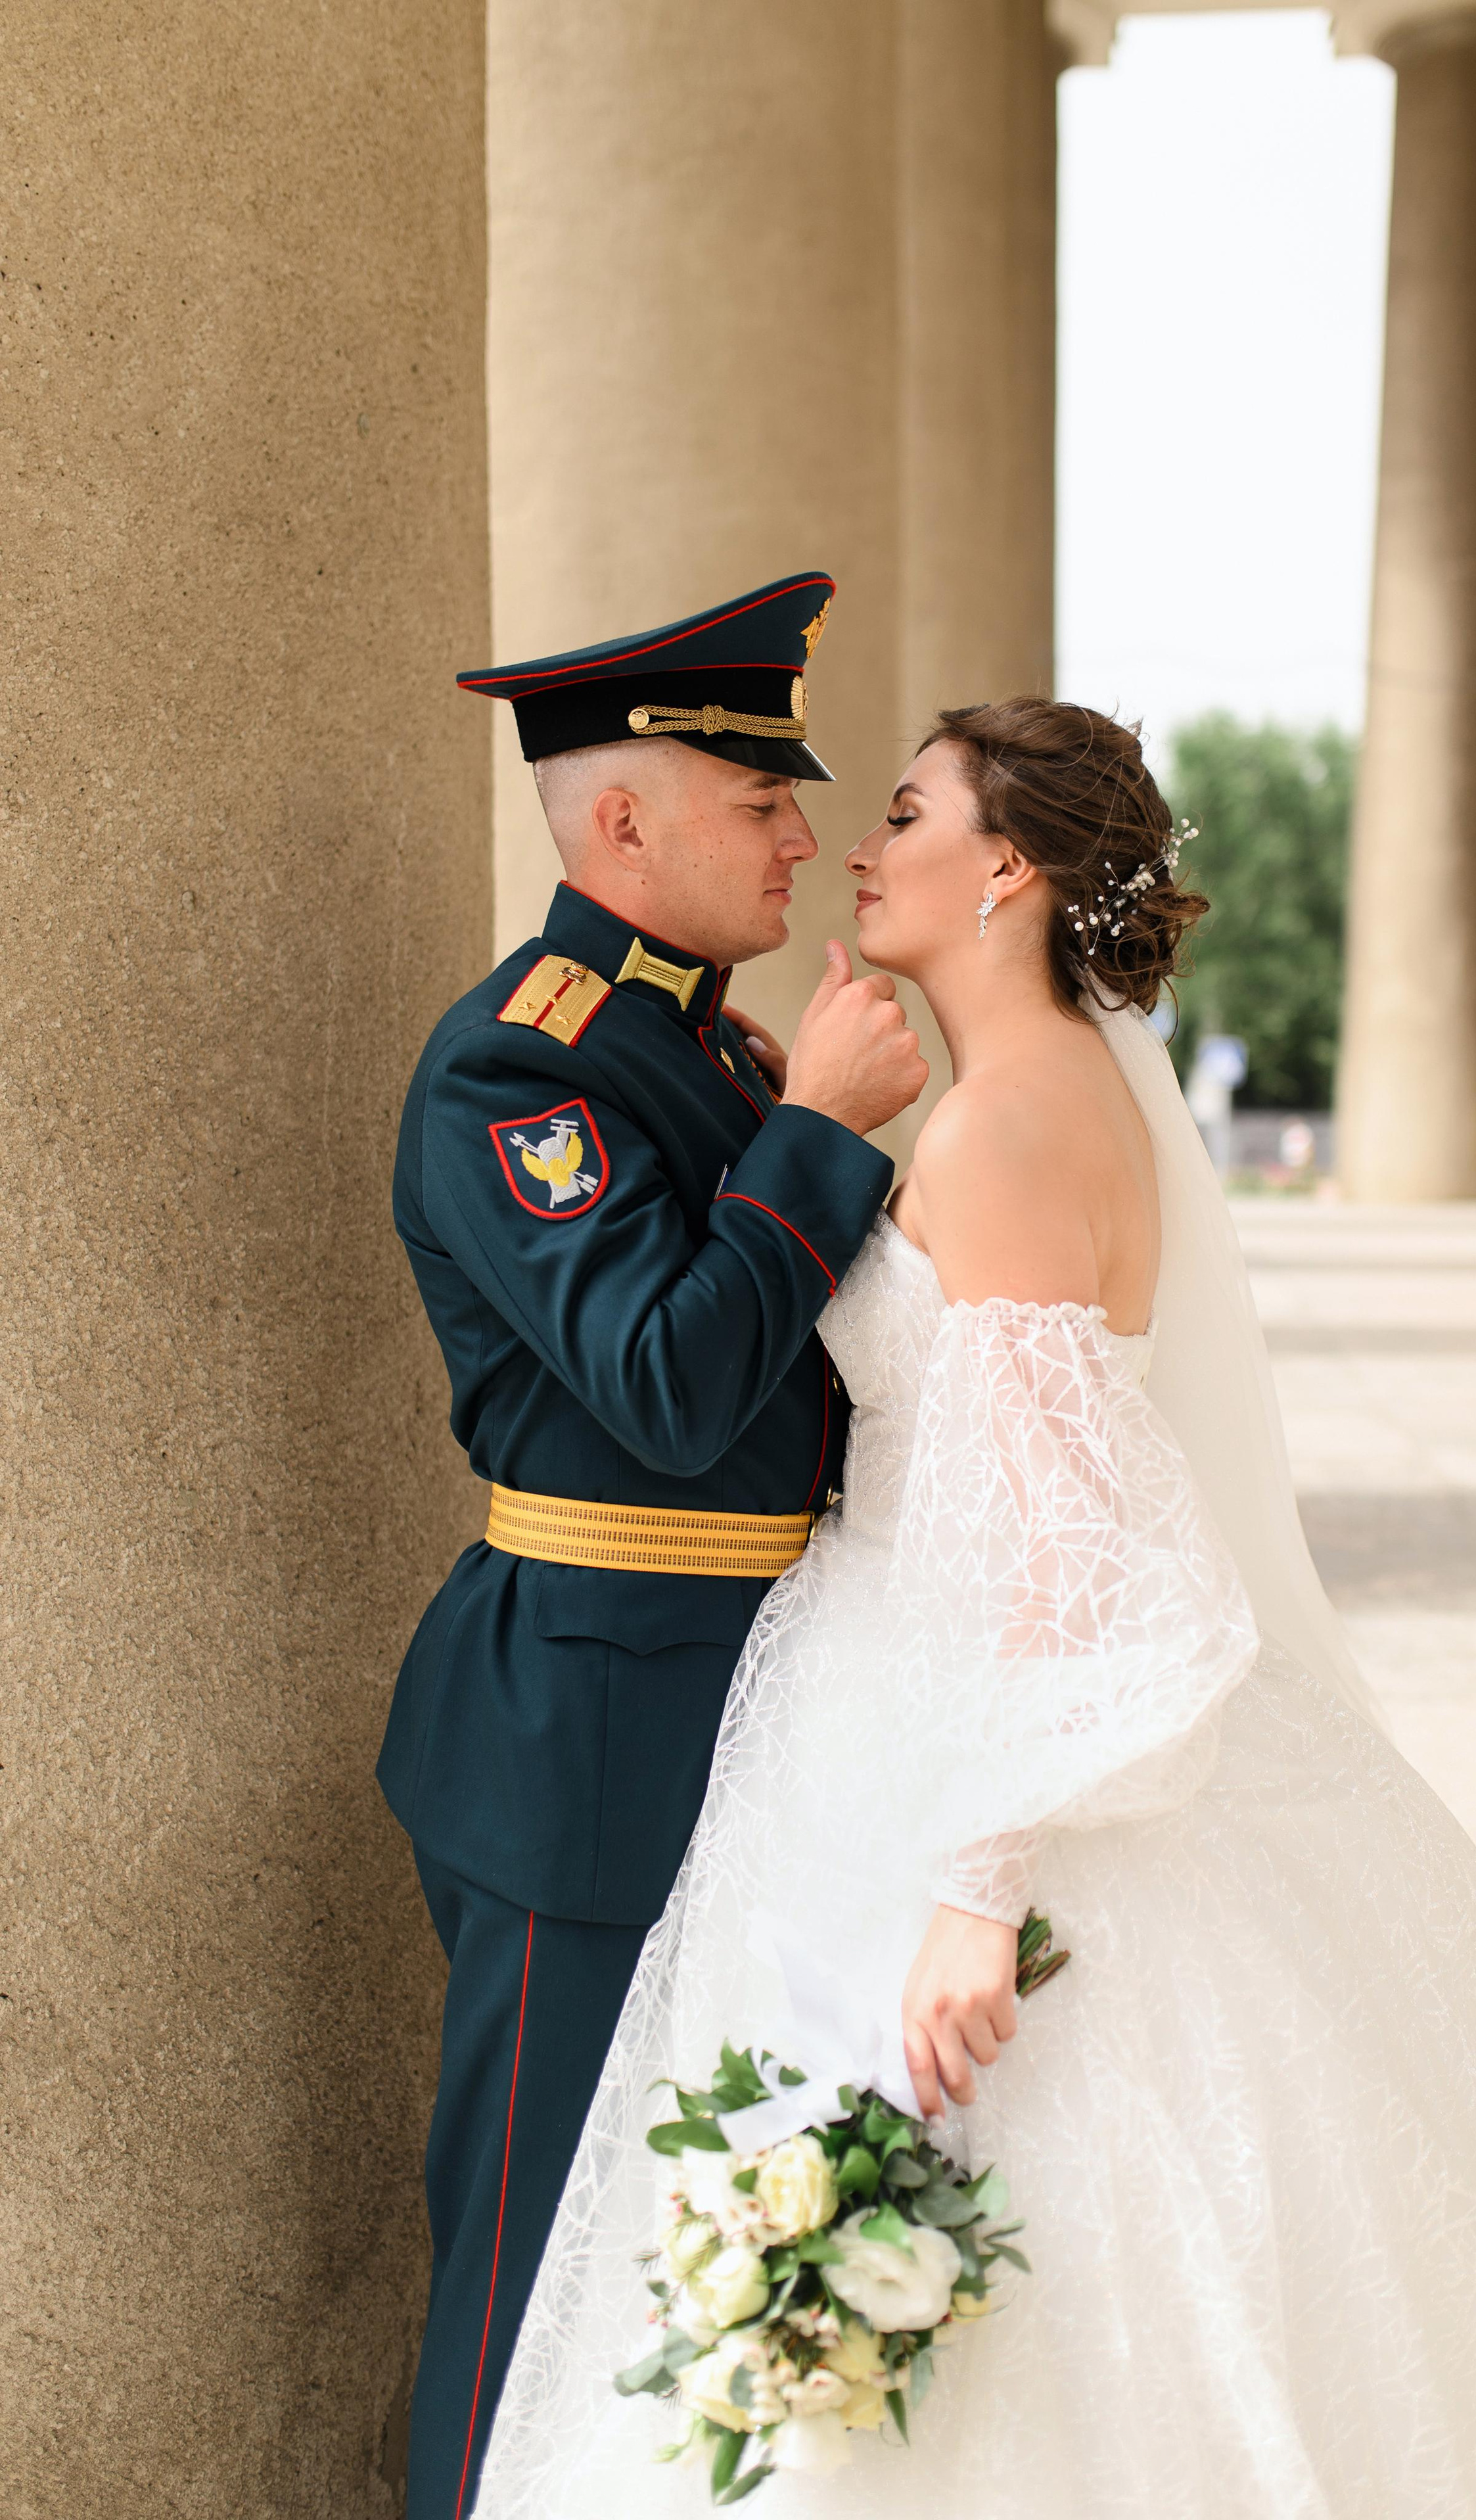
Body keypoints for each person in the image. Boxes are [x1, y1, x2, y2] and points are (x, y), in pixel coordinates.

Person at [471, 695, 1476, 2519]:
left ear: (1010, 867)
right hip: (887, 1677)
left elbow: (1069, 1555)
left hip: (939, 1716)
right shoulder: (1044, 1097)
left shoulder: (998, 1137)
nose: (857, 847)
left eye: (902, 810)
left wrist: (978, 1889)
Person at [380, 571, 929, 2520]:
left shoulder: (709, 1057)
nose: (802, 831)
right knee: (532, 2271)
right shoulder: (516, 1068)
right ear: (623, 824)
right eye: (758, 796)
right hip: (582, 1744)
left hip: (761, 1721)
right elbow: (666, 1383)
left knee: (697, 2255)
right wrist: (829, 1137)